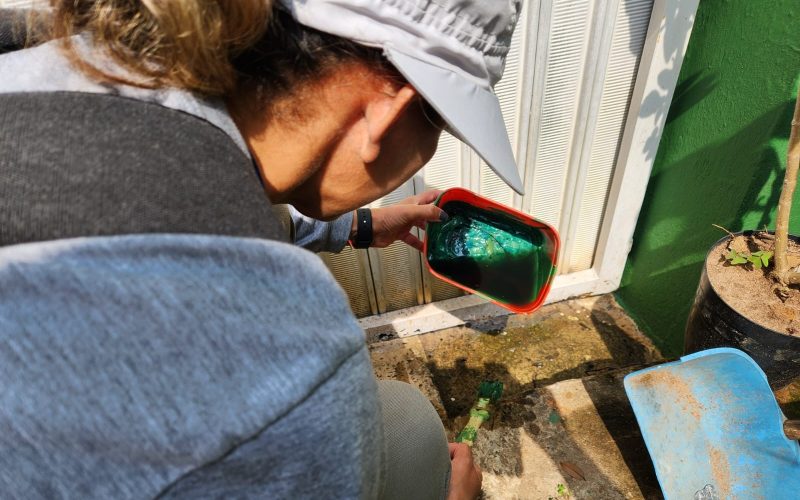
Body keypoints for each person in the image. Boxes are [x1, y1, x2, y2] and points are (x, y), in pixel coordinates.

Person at [0, 1, 522, 498]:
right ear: (386, 113)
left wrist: (362, 226)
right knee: (414, 433)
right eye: (439, 125)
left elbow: (229, 198)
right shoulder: (291, 354)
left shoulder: (79, 51)